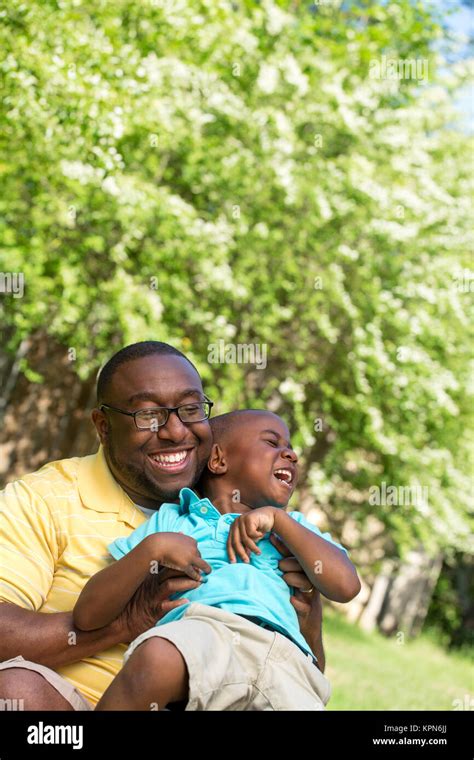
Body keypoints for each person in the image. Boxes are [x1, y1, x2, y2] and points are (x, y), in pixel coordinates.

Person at [0, 342, 327, 710]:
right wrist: (123, 624)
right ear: (104, 427)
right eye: (148, 416)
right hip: (69, 708)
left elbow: (292, 676)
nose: (175, 431)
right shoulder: (46, 498)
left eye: (190, 409)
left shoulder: (241, 518)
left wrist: (308, 618)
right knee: (14, 691)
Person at [74, 409, 360, 711]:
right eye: (272, 443)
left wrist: (279, 521)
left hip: (285, 660)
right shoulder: (175, 520)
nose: (291, 455)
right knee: (155, 658)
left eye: (289, 447)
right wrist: (152, 549)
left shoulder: (296, 529)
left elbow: (346, 587)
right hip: (203, 639)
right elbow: (87, 616)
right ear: (219, 460)